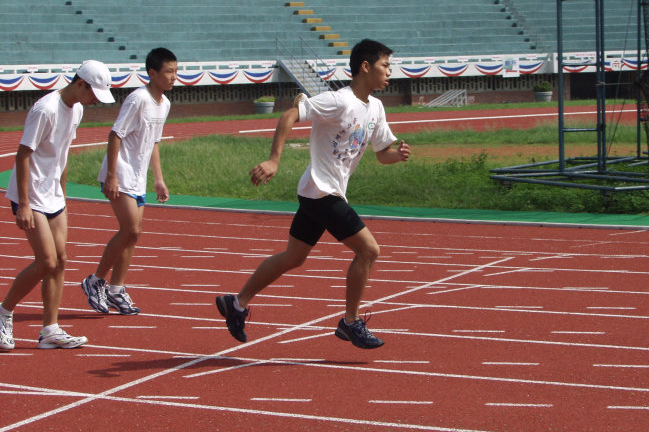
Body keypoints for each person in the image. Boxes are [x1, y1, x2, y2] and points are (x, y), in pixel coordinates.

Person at [215, 39, 410, 348]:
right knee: (369, 251)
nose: (390, 72)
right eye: (385, 65)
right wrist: (274, 159)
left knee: (294, 256)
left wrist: (395, 155)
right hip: (322, 191)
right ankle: (351, 322)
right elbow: (290, 115)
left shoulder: (376, 107)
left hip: (317, 192)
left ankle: (236, 303)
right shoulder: (339, 101)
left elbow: (382, 152)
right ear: (365, 66)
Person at [0, 60, 115, 351]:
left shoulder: (76, 109)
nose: (94, 101)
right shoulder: (45, 109)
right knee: (47, 262)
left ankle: (49, 329)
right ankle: (4, 311)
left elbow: (63, 153)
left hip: (52, 195)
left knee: (61, 261)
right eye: (93, 94)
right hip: (30, 195)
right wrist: (23, 204)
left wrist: (62, 196)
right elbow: (23, 155)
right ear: (80, 84)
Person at [80, 47, 176, 316]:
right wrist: (110, 175)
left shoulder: (164, 104)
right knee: (131, 230)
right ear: (153, 73)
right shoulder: (138, 99)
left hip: (138, 178)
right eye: (168, 72)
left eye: (176, 71)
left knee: (132, 236)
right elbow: (115, 135)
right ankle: (95, 281)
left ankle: (116, 289)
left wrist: (158, 179)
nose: (173, 77)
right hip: (120, 174)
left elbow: (154, 142)